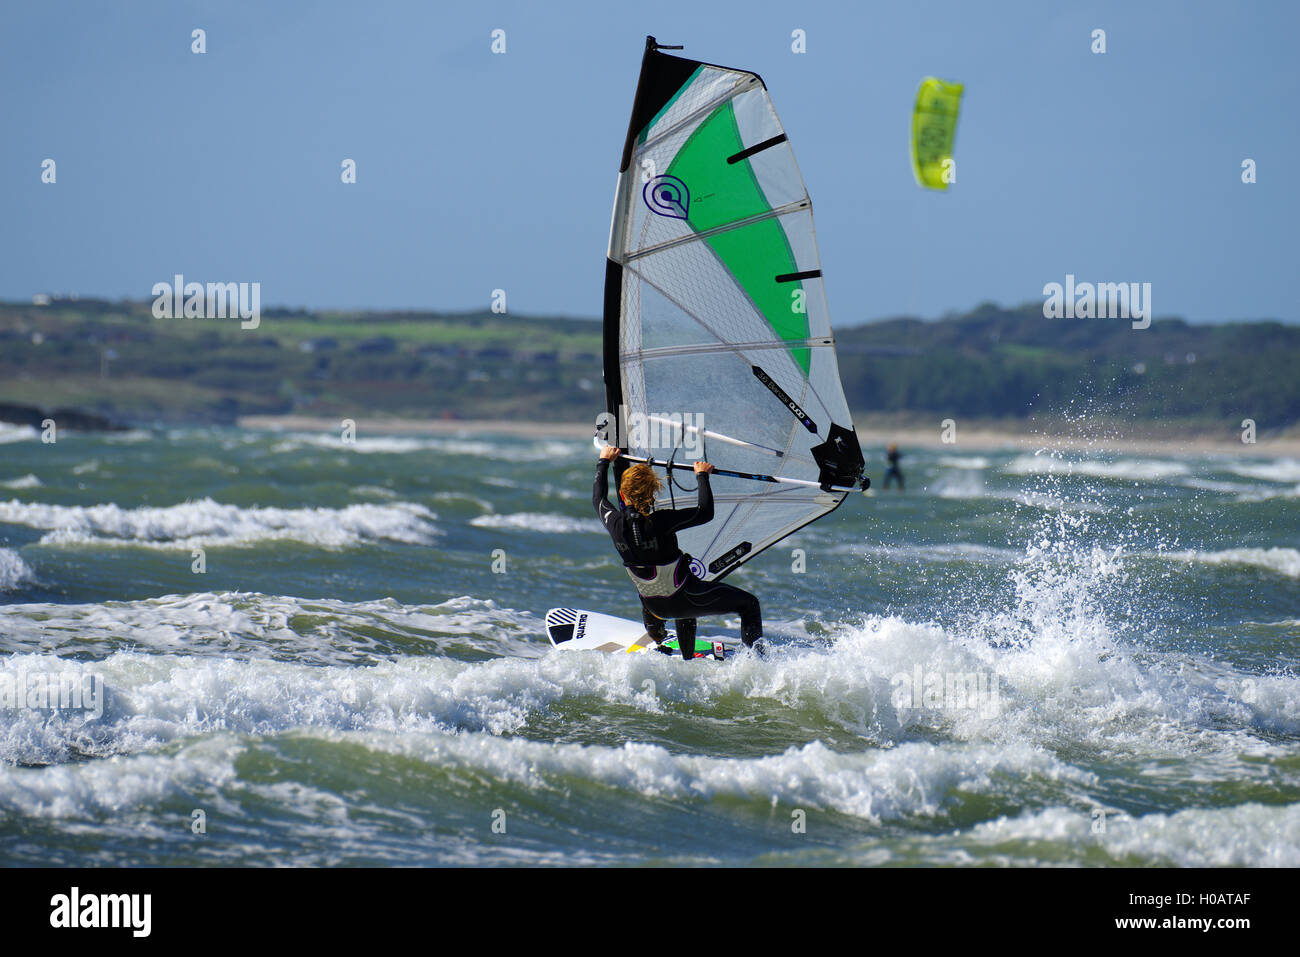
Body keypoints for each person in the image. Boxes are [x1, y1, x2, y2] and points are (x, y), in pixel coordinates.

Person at [593, 445, 765, 659]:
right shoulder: (661, 520)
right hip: (686, 600)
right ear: (653, 492)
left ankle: (658, 636)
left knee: (666, 592)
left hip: (653, 607)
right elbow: (704, 512)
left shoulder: (615, 523)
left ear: (621, 493)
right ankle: (758, 663)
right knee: (749, 605)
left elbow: (598, 499)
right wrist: (702, 475)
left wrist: (604, 461)